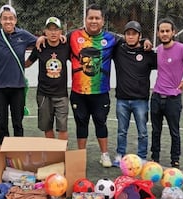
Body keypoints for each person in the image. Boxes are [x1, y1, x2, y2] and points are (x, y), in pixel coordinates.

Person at [37, 4, 152, 168]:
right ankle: (80, 155)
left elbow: (130, 39)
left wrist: (144, 40)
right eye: (90, 17)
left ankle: (104, 154)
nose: (93, 21)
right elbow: (54, 39)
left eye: (97, 18)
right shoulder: (72, 36)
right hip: (79, 92)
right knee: (81, 124)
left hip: (100, 92)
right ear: (85, 19)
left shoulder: (112, 38)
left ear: (103, 20)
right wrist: (42, 37)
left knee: (100, 123)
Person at [150, 18, 183, 169]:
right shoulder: (159, 50)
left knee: (174, 132)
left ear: (174, 32)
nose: (165, 34)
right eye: (162, 31)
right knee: (156, 131)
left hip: (172, 99)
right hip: (156, 97)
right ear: (158, 33)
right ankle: (155, 158)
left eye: (168, 31)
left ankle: (175, 160)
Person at [0, 4, 38, 144]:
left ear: (15, 20)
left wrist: (30, 61)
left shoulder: (23, 35)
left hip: (17, 87)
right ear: (0, 20)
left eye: (11, 18)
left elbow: (39, 43)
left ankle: (18, 152)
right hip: (0, 88)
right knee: (2, 124)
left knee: (18, 124)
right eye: (5, 18)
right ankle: (4, 154)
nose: (8, 21)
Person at [112, 21, 157, 167]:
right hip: (122, 100)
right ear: (124, 36)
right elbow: (107, 35)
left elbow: (163, 64)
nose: (131, 37)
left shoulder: (148, 53)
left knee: (142, 131)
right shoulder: (118, 50)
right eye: (128, 34)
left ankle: (142, 157)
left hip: (141, 101)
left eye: (134, 34)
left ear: (140, 36)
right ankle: (120, 155)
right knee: (121, 131)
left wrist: (146, 41)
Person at [25, 17, 70, 140]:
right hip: (44, 94)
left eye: (56, 29)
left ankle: (61, 154)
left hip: (61, 94)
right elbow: (27, 64)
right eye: (50, 29)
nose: (53, 32)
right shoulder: (40, 46)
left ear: (61, 31)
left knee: (63, 127)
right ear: (45, 31)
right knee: (47, 127)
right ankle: (53, 153)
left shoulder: (66, 46)